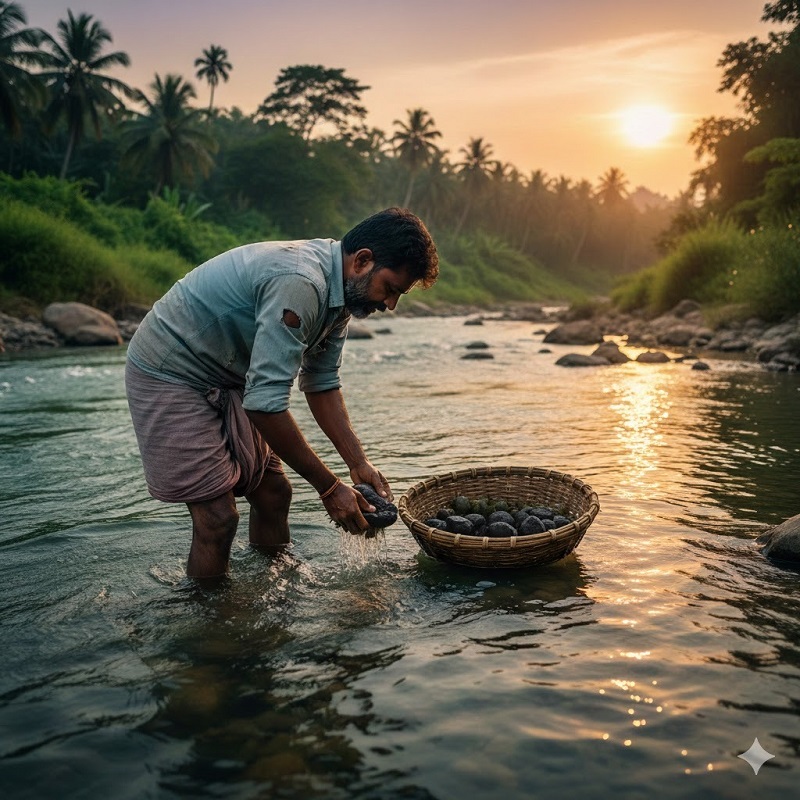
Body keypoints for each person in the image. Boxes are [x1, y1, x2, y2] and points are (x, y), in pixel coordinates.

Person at [125, 207, 438, 578]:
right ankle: (211, 623)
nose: (390, 305)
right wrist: (329, 488)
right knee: (218, 519)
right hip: (171, 370)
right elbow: (264, 405)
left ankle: (272, 584)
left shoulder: (340, 299)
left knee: (275, 493)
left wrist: (357, 463)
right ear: (363, 261)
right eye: (390, 289)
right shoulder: (301, 282)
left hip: (229, 374)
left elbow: (321, 383)